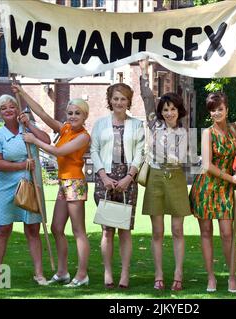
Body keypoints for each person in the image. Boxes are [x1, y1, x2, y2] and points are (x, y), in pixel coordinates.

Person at [12, 84, 91, 288]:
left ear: (84, 117)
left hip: (75, 183)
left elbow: (59, 152)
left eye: (77, 114)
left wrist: (33, 140)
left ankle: (82, 275)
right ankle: (63, 272)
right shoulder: (65, 128)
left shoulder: (83, 136)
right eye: (70, 113)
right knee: (57, 228)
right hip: (63, 184)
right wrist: (22, 92)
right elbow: (43, 114)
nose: (73, 116)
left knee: (78, 230)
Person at [189, 92, 236, 293]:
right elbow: (207, 165)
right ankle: (211, 278)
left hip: (224, 190)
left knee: (227, 233)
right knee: (206, 233)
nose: (216, 113)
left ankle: (232, 276)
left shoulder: (234, 128)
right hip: (206, 187)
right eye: (213, 110)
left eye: (220, 109)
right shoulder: (208, 133)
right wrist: (231, 178)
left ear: (227, 109)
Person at [0, 94, 51, 286]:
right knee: (3, 228)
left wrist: (29, 124)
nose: (8, 110)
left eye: (12, 106)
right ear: (0, 112)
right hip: (7, 187)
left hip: (31, 185)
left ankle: (39, 273)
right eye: (4, 107)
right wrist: (22, 165)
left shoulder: (27, 130)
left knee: (32, 228)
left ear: (18, 109)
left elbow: (47, 141)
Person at [139, 60, 191, 291]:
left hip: (177, 179)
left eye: (172, 108)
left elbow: (184, 160)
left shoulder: (184, 132)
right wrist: (143, 72)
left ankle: (178, 275)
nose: (169, 112)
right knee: (157, 231)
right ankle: (159, 275)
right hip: (156, 178)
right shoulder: (153, 124)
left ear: (179, 110)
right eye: (165, 109)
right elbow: (147, 98)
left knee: (177, 230)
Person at [90, 83, 145, 289]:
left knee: (124, 229)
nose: (119, 102)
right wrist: (103, 176)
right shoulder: (100, 124)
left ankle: (124, 273)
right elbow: (94, 150)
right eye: (115, 98)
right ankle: (107, 272)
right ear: (110, 101)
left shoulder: (137, 125)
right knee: (107, 230)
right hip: (105, 176)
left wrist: (129, 177)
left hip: (127, 178)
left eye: (123, 99)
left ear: (129, 101)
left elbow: (140, 152)